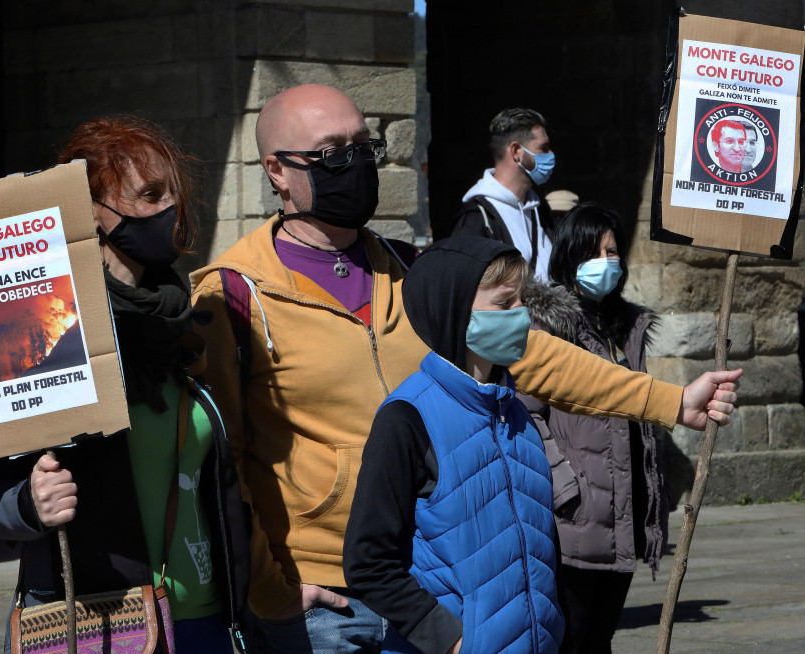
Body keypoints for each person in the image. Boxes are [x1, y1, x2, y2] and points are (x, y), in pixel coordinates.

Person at [189, 83, 742, 653]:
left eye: (364, 147)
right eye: (332, 154)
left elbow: (534, 355)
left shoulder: (414, 272)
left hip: (439, 586)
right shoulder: (232, 294)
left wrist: (671, 401)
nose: (354, 164)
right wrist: (270, 592)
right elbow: (223, 465)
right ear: (276, 170)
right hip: (328, 603)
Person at [0, 116, 248, 653]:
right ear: (90, 212)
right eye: (149, 195)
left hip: (211, 620)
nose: (169, 212)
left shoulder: (193, 321)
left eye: (173, 195)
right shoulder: (41, 333)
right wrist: (26, 503)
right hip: (100, 621)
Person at [344, 238, 563, 654]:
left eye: (523, 301)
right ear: (457, 311)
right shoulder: (407, 419)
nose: (523, 316)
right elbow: (368, 562)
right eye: (505, 304)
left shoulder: (518, 415)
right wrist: (452, 640)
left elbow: (540, 550)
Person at [521, 202, 668, 653]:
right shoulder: (546, 327)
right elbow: (527, 414)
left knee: (600, 639)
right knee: (570, 638)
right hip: (573, 520)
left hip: (624, 514)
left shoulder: (627, 327)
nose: (607, 262)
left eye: (612, 251)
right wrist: (564, 484)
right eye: (594, 252)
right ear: (568, 257)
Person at [449, 107, 556, 281]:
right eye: (543, 148)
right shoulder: (476, 220)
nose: (551, 154)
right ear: (516, 152)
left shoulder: (541, 209)